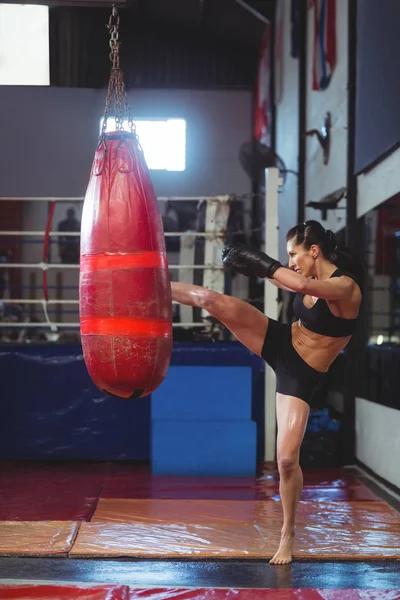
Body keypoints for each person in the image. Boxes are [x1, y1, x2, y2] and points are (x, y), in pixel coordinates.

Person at [170, 220, 363, 565]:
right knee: (211, 300)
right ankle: (148, 284)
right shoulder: (310, 280)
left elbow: (300, 283)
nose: (290, 261)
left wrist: (262, 262)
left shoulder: (345, 288)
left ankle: (288, 534)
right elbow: (290, 283)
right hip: (280, 340)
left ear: (314, 251)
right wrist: (254, 268)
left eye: (293, 254)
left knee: (287, 459)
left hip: (301, 374)